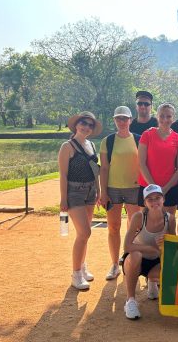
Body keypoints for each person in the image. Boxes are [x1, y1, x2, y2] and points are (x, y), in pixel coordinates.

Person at [58, 111, 103, 290]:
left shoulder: (91, 145)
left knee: (83, 234)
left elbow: (95, 171)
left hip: (91, 191)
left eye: (90, 125)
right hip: (74, 192)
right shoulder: (67, 146)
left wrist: (98, 191)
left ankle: (82, 266)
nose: (86, 127)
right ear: (76, 125)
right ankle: (76, 273)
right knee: (85, 233)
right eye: (83, 123)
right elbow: (63, 174)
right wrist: (63, 199)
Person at [99, 106, 141, 281]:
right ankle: (115, 264)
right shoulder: (107, 141)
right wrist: (103, 192)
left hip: (134, 187)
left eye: (125, 118)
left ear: (130, 120)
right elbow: (104, 168)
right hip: (113, 188)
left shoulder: (139, 140)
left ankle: (131, 261)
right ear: (115, 120)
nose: (122, 122)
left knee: (135, 227)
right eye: (119, 119)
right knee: (113, 227)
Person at [122, 184, 176, 320]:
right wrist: (149, 248)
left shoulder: (170, 218)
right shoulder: (139, 217)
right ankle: (130, 301)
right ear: (145, 203)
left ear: (163, 199)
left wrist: (167, 242)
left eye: (157, 198)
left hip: (156, 261)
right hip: (136, 261)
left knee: (173, 266)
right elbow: (127, 246)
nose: (154, 202)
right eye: (150, 199)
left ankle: (152, 281)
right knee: (136, 255)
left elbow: (173, 248)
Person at [137, 103, 178, 217]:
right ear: (157, 116)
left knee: (168, 225)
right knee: (145, 224)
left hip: (169, 188)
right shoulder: (147, 134)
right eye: (162, 116)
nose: (165, 119)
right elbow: (141, 163)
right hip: (148, 187)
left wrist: (165, 189)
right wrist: (154, 188)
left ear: (173, 118)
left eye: (168, 116)